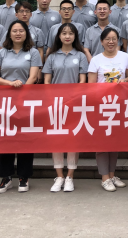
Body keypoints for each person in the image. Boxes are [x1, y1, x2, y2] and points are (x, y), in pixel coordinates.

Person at [0, 20, 42, 194]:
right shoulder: (1, 53)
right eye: (14, 31)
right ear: (9, 34)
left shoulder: (33, 52)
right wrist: (10, 84)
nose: (18, 33)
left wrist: (23, 92)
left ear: (26, 33)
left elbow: (33, 76)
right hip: (4, 100)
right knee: (5, 137)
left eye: (21, 31)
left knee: (25, 137)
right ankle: (6, 177)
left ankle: (24, 176)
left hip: (27, 100)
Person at [43, 23, 89, 193]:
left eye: (70, 33)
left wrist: (73, 98)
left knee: (72, 140)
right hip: (55, 104)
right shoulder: (52, 57)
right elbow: (47, 81)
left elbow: (82, 80)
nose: (67, 36)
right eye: (64, 33)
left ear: (75, 36)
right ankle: (59, 176)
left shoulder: (81, 56)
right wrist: (51, 99)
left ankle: (70, 176)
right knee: (57, 140)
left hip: (74, 103)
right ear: (59, 36)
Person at [88, 28, 128, 192]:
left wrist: (124, 81)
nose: (111, 42)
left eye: (114, 38)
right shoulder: (96, 60)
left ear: (118, 41)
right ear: (102, 42)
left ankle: (112, 175)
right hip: (102, 106)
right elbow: (91, 85)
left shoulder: (125, 56)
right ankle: (104, 178)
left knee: (115, 141)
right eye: (107, 39)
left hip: (119, 105)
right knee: (102, 143)